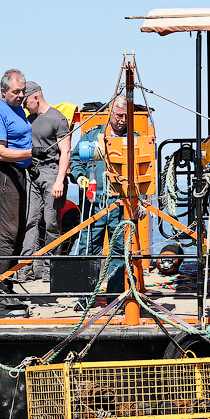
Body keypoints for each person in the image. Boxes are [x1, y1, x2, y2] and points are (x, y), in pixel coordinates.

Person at [68, 96, 134, 296]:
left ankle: (115, 296)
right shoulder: (91, 136)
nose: (122, 120)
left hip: (121, 204)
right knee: (88, 248)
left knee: (119, 251)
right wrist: (79, 177)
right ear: (110, 114)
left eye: (126, 116)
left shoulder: (135, 138)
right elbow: (76, 158)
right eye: (119, 115)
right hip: (93, 202)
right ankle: (84, 296)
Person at [0, 69, 33, 310]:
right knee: (4, 233)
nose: (21, 95)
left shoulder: (17, 108)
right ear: (3, 91)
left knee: (18, 231)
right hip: (1, 172)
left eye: (23, 90)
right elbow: (0, 151)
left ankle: (5, 285)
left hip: (17, 172)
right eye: (16, 91)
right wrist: (32, 153)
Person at [19, 81, 71, 282]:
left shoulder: (57, 119)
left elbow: (65, 151)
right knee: (29, 220)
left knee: (51, 223)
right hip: (32, 175)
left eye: (25, 101)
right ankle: (26, 265)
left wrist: (60, 180)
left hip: (52, 174)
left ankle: (51, 266)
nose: (23, 105)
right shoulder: (28, 119)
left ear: (36, 97)